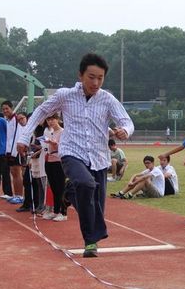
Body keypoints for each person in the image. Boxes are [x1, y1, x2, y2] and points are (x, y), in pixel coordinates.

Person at [17, 53, 134, 257]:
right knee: (86, 184)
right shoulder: (65, 95)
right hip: (72, 152)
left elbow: (126, 121)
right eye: (91, 77)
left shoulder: (107, 99)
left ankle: (90, 243)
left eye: (100, 78)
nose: (96, 82)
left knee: (97, 206)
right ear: (81, 75)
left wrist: (125, 130)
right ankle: (75, 192)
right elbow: (41, 112)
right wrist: (24, 137)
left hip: (98, 158)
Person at [2, 101, 25, 204]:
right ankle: (16, 195)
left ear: (12, 108)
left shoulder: (16, 119)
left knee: (17, 172)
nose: (5, 111)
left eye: (7, 108)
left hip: (15, 151)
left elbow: (18, 135)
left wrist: (15, 151)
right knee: (13, 172)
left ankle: (20, 196)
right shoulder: (8, 120)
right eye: (3, 109)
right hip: (9, 151)